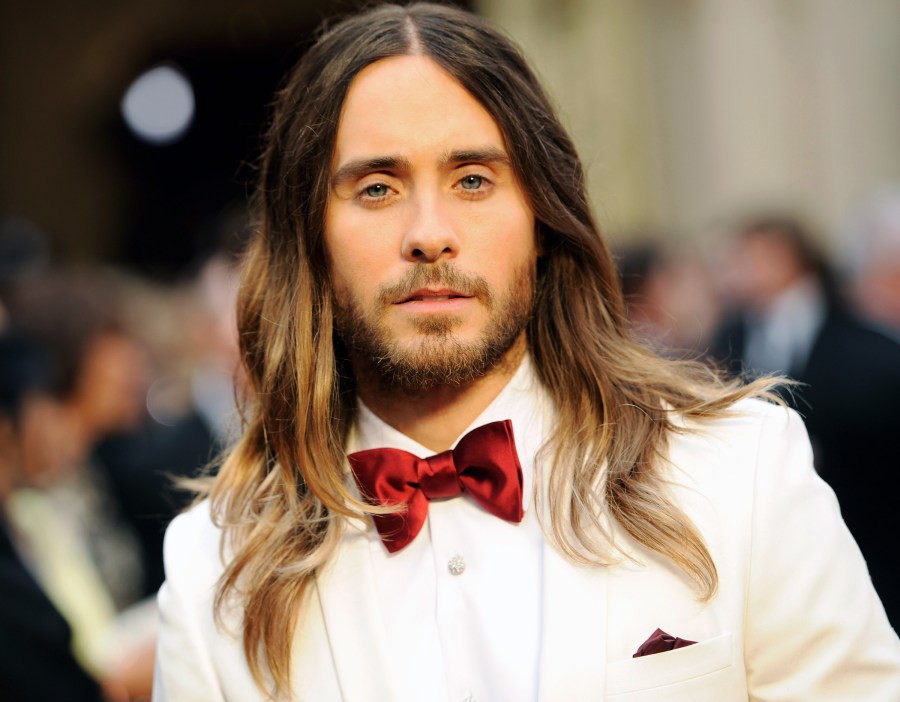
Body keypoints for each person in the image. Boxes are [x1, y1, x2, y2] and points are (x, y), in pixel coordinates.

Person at [153, 4, 900, 701]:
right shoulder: (213, 571)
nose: (430, 231)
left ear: (542, 215)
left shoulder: (740, 473)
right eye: (377, 188)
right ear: (308, 238)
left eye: (473, 179)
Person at [709, 215, 900, 629]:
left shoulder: (862, 340)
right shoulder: (726, 334)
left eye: (755, 256)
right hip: (774, 532)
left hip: (864, 516)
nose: (741, 268)